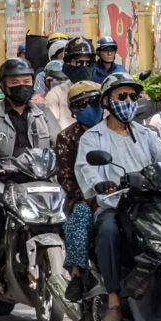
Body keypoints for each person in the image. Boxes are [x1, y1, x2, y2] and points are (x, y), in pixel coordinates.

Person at [75, 73, 161, 321]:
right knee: (108, 232)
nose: (128, 101)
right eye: (121, 96)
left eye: (133, 97)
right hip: (116, 206)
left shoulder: (146, 134)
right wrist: (99, 183)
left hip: (150, 204)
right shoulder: (93, 137)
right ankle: (113, 300)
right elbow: (85, 167)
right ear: (106, 102)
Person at [0, 58, 60, 296]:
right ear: (3, 85)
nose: (22, 86)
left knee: (65, 207)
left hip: (39, 176)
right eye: (15, 82)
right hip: (3, 176)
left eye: (27, 81)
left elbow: (59, 141)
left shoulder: (43, 112)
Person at [55, 81, 104, 304]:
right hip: (82, 196)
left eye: (94, 101)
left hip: (119, 193)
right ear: (73, 110)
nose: (90, 108)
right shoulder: (67, 137)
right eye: (82, 104)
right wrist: (88, 197)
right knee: (80, 217)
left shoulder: (114, 130)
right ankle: (77, 274)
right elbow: (66, 176)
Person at [46, 37, 95, 130]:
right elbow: (51, 129)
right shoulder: (56, 94)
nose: (84, 67)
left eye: (88, 63)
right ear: (67, 65)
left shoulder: (100, 91)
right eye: (78, 63)